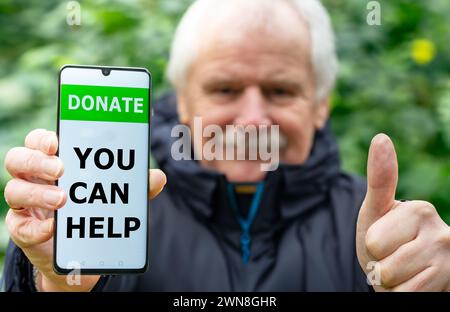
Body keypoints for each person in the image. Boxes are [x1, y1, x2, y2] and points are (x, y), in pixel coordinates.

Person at [3, 0, 450, 292]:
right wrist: (51, 282)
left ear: (319, 105)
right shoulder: (107, 213)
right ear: (182, 101)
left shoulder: (383, 237)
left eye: (279, 91)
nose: (253, 120)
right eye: (224, 89)